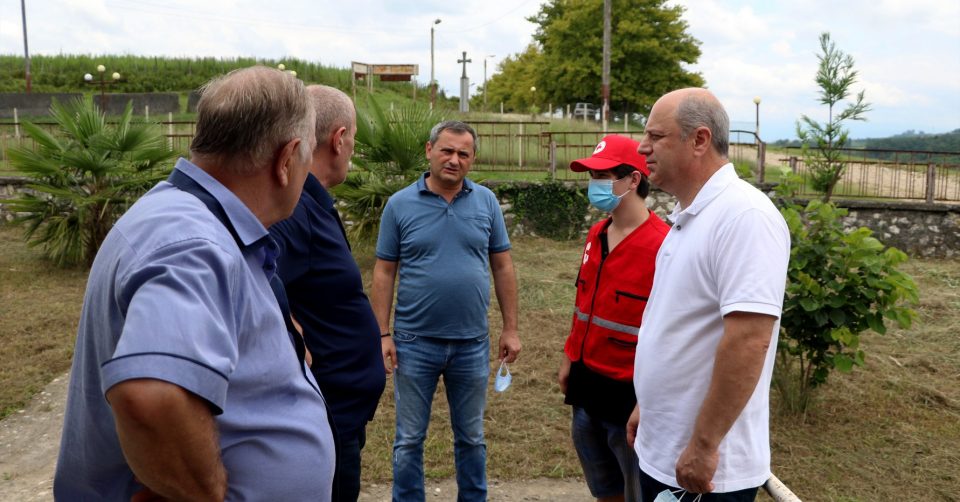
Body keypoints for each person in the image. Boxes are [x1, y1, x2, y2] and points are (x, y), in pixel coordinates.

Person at [53, 66, 337, 500]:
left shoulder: (187, 218)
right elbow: (151, 395)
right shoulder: (194, 243)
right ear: (286, 159)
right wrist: (205, 491)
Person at [626, 88, 791, 501]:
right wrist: (649, 406)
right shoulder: (690, 216)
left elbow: (749, 340)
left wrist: (703, 445)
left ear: (699, 139)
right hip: (665, 448)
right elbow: (680, 325)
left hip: (707, 472)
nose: (642, 148)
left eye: (656, 136)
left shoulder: (745, 217)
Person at [373, 120, 521, 502]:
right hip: (413, 342)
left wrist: (510, 328)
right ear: (429, 150)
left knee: (471, 438)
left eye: (463, 154)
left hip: (472, 343)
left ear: (472, 159)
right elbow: (384, 271)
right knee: (409, 439)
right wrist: (382, 333)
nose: (454, 160)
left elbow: (503, 266)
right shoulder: (399, 204)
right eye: (447, 151)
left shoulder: (486, 202)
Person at [270, 84, 386, 502]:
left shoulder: (311, 202)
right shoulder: (294, 210)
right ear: (339, 139)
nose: (352, 148)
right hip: (323, 414)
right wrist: (286, 325)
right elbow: (251, 273)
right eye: (353, 139)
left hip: (340, 413)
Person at [559, 135, 669, 502]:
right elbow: (583, 301)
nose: (594, 184)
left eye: (602, 176)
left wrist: (648, 400)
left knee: (637, 491)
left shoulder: (663, 245)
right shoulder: (597, 234)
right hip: (585, 385)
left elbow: (668, 331)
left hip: (629, 395)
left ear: (634, 180)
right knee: (604, 489)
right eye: (592, 176)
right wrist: (569, 358)